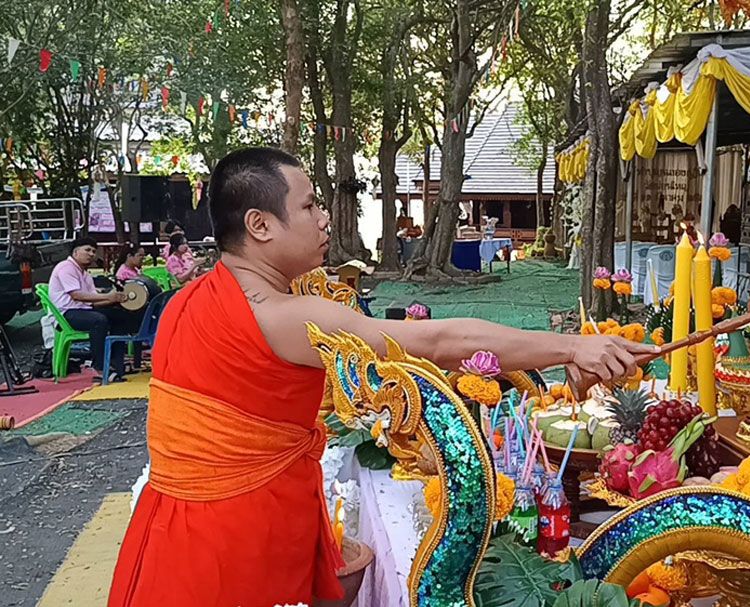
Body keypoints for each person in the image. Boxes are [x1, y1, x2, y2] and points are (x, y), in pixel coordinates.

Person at [108, 147, 653, 607]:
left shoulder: (186, 302)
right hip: (235, 541)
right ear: (260, 225)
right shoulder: (277, 315)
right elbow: (438, 342)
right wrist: (572, 345)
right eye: (310, 205)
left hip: (166, 528)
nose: (325, 218)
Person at [48, 237, 142, 383]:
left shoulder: (85, 273)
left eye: (93, 251)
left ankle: (116, 364)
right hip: (66, 314)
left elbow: (94, 300)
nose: (91, 254)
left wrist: (114, 299)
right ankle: (99, 367)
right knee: (99, 321)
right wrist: (108, 297)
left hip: (84, 310)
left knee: (120, 315)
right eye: (87, 250)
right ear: (76, 252)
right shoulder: (66, 267)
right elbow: (76, 295)